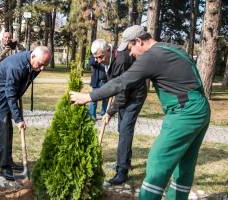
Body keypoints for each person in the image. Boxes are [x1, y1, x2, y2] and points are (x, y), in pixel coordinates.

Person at [70, 25, 210, 200]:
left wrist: (89, 97)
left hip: (185, 112)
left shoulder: (152, 56)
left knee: (158, 160)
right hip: (201, 108)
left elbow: (122, 82)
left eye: (130, 48)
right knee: (185, 163)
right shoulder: (172, 48)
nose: (130, 54)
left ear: (138, 41)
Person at [0, 46, 52, 181]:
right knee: (4, 126)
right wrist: (18, 118)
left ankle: (8, 161)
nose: (42, 68)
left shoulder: (35, 64)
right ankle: (4, 168)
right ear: (33, 56)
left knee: (8, 127)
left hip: (2, 95)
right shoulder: (16, 66)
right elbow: (10, 93)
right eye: (40, 64)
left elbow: (21, 84)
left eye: (45, 65)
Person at [90, 39, 147, 185]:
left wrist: (109, 112)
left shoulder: (121, 61)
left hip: (134, 96)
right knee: (122, 128)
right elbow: (113, 85)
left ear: (108, 50)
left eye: (100, 57)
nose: (98, 61)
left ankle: (122, 172)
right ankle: (124, 162)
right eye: (95, 57)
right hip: (125, 94)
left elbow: (122, 93)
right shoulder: (108, 59)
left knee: (125, 129)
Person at [88, 53, 108, 120]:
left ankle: (104, 114)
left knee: (106, 99)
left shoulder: (107, 55)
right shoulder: (94, 55)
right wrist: (97, 59)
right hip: (97, 82)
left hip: (105, 81)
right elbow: (91, 62)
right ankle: (92, 115)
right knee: (94, 99)